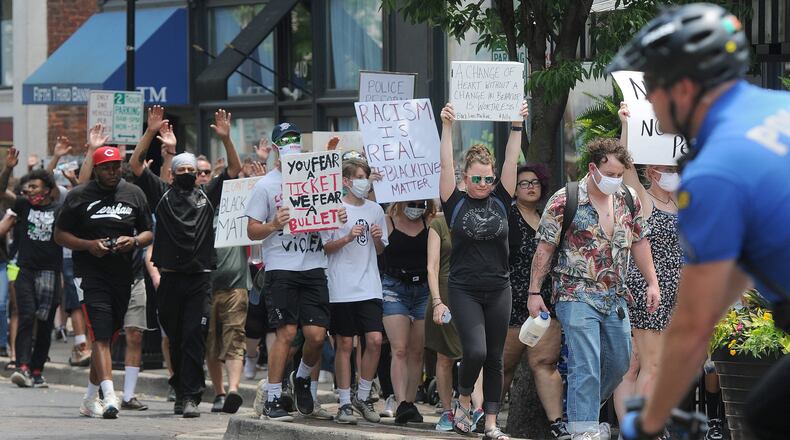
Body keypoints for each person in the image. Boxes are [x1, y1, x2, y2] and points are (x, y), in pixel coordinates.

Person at [606, 3, 790, 439]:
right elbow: (734, 275)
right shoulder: (779, 107)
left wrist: (649, 422)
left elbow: (692, 327)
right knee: (769, 413)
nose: (648, 97)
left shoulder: (715, 172)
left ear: (685, 88)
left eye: (653, 83)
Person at [527, 138, 660, 440]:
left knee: (619, 363)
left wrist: (652, 282)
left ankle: (579, 409)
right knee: (586, 362)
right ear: (592, 168)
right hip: (575, 292)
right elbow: (545, 250)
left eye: (618, 174)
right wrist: (534, 293)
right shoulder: (565, 200)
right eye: (609, 173)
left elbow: (640, 241)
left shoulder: (629, 198)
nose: (614, 180)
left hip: (615, 296)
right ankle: (583, 430)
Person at [130, 106, 241, 418]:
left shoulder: (207, 196)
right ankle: (180, 388)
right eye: (181, 171)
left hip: (199, 279)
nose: (187, 175)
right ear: (172, 174)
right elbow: (135, 165)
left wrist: (227, 139)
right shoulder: (162, 195)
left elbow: (233, 170)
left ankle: (191, 396)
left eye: (192, 171)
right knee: (176, 338)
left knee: (194, 335)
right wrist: (151, 132)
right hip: (169, 278)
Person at [246, 123, 347, 422]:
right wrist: (274, 224)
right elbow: (251, 230)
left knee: (316, 336)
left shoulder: (318, 179)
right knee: (287, 333)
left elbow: (330, 223)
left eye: (295, 138)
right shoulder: (266, 185)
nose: (291, 143)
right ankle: (273, 397)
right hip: (282, 268)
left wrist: (338, 215)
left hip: (314, 266)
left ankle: (302, 378)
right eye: (285, 139)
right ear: (276, 147)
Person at [438, 101, 526, 440]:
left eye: (489, 178)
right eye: (478, 178)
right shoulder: (454, 201)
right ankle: (462, 399)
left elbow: (510, 159)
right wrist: (447, 127)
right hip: (464, 288)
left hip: (499, 287)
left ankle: (490, 424)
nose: (485, 183)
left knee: (494, 357)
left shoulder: (501, 199)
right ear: (465, 178)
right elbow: (445, 163)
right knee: (474, 351)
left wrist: (517, 125)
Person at [54, 144, 153, 419]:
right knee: (99, 332)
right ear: (95, 169)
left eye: (116, 166)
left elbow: (148, 232)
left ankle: (88, 399)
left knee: (108, 336)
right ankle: (110, 396)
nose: (112, 171)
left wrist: (131, 241)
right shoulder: (78, 196)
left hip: (123, 274)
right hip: (90, 274)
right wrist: (89, 245)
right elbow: (60, 235)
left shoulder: (134, 193)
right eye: (106, 167)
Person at [612, 103, 682, 429]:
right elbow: (626, 168)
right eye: (667, 168)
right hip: (649, 288)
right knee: (650, 365)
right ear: (652, 172)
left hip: (673, 292)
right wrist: (626, 125)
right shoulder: (643, 199)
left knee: (639, 364)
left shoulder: (680, 203)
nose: (674, 173)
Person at [502, 164, 569, 440]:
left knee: (545, 362)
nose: (530, 187)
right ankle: (485, 415)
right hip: (511, 301)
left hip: (544, 301)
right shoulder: (506, 216)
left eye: (535, 182)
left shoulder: (549, 217)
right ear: (514, 190)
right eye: (523, 183)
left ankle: (557, 424)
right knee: (502, 366)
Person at [321, 157, 388, 425]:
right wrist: (348, 236)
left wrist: (375, 238)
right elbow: (325, 247)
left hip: (369, 285)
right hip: (341, 287)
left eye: (366, 176)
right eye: (360, 176)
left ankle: (363, 396)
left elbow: (382, 248)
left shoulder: (375, 210)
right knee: (345, 344)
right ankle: (345, 402)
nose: (364, 181)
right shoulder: (334, 209)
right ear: (347, 181)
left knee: (373, 340)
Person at [0, 148, 64, 389]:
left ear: (47, 190)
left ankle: (37, 370)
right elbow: (1, 192)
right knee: (26, 315)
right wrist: (8, 167)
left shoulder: (59, 209)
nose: (29, 191)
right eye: (27, 188)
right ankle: (22, 366)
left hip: (50, 271)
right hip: (25, 269)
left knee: (45, 321)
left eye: (34, 188)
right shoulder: (23, 206)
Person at [426, 204, 485, 432]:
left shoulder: (480, 218)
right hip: (444, 294)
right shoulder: (439, 223)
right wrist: (438, 301)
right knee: (445, 357)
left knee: (475, 351)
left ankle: (477, 410)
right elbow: (431, 267)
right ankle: (448, 411)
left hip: (473, 293)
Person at [380, 198, 435, 425]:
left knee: (417, 351)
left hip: (423, 291)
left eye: (420, 201)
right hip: (394, 288)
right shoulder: (387, 220)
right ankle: (401, 401)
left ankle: (410, 403)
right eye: (411, 201)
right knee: (399, 349)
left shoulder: (431, 221)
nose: (415, 205)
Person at [206, 222, 252, 414]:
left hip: (237, 286)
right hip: (207, 287)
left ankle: (233, 389)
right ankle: (220, 393)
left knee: (235, 336)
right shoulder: (202, 207)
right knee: (212, 341)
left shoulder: (239, 208)